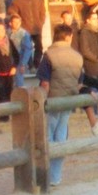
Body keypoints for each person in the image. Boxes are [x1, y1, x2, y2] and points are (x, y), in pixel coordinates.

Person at [35, 24, 83, 186]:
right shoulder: (77, 56)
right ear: (69, 37)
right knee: (61, 136)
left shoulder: (49, 55)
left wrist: (42, 102)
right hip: (69, 100)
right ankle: (55, 176)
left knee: (48, 137)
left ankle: (45, 176)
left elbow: (45, 83)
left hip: (53, 100)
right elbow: (80, 82)